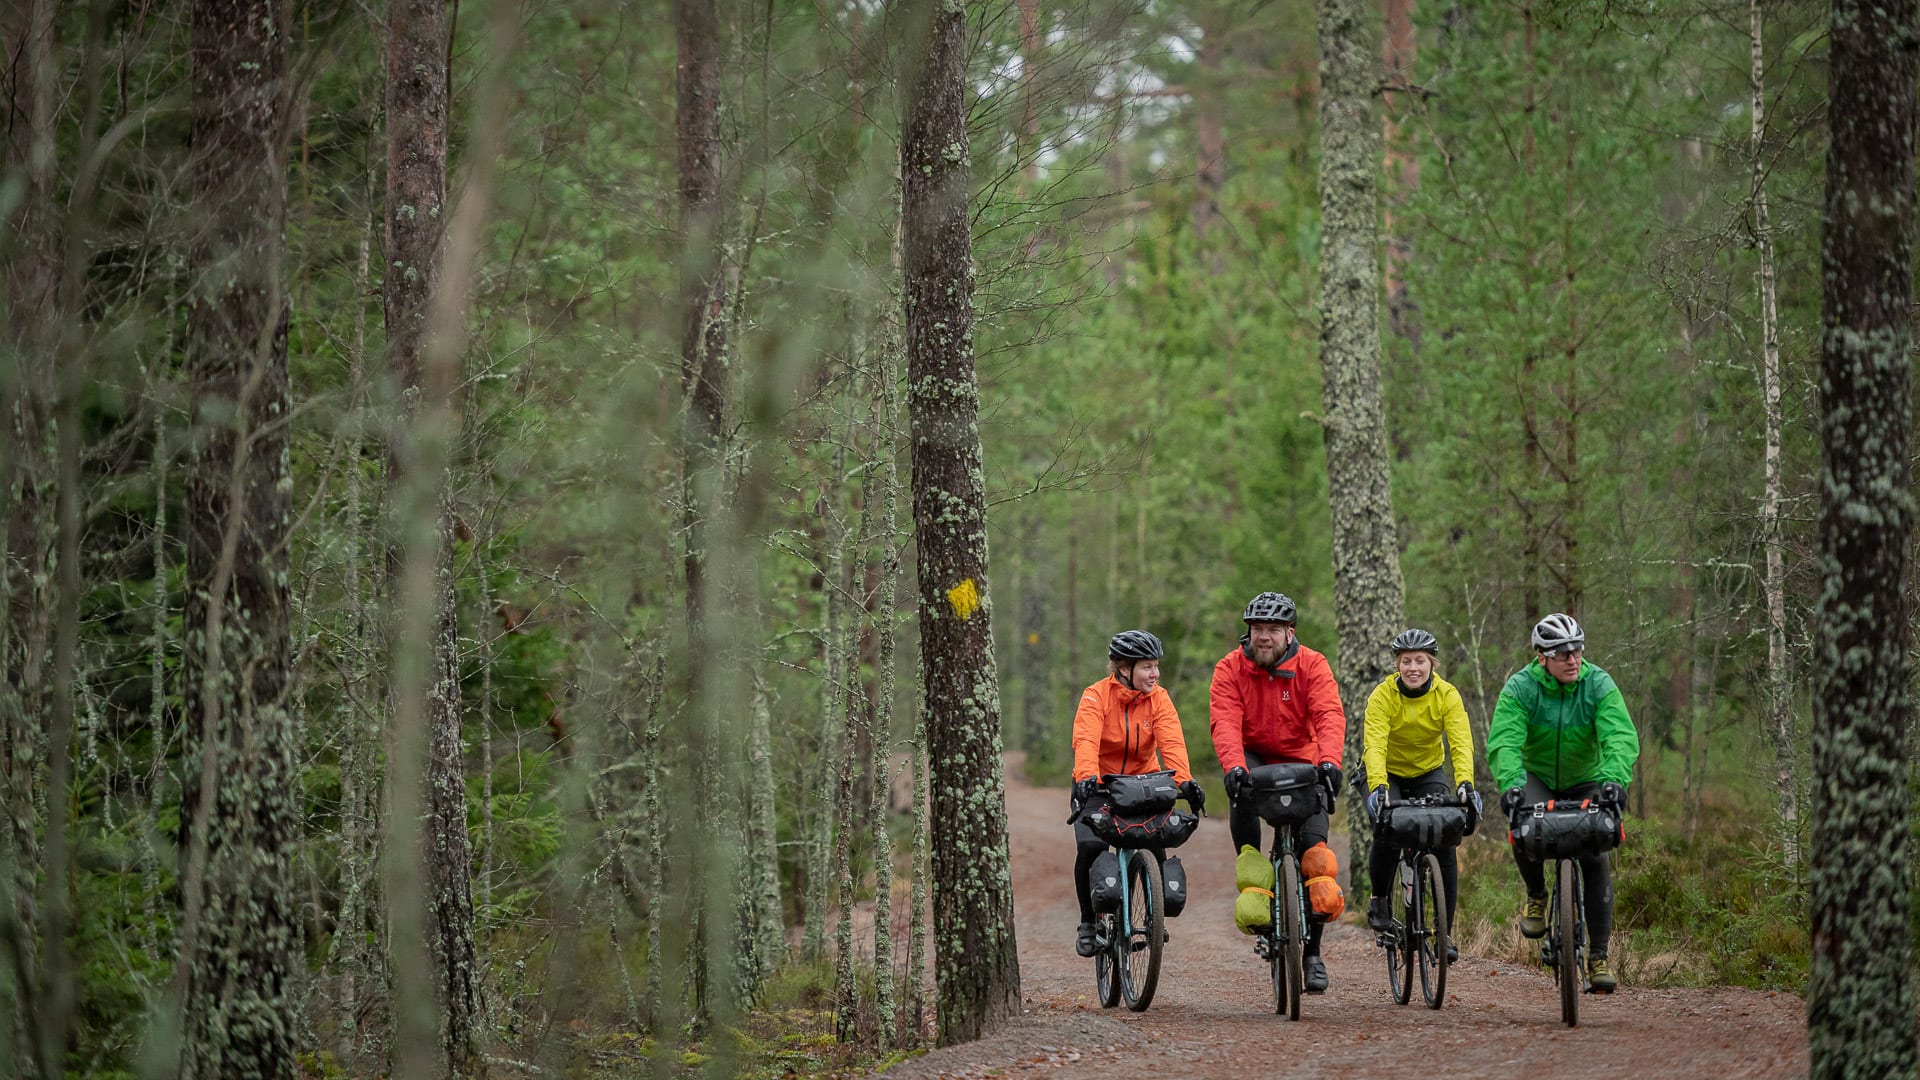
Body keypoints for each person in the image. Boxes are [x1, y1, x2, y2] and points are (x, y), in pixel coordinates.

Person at [1486, 612, 1640, 993]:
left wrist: (1613, 782)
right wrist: (1511, 786)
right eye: (1562, 653)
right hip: (1538, 777)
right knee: (1523, 827)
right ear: (1542, 657)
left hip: (1587, 777)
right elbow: (1505, 740)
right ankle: (1537, 895)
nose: (1573, 659)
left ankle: (1599, 956)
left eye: (1577, 650)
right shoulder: (1521, 687)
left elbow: (1619, 735)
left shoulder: (1598, 683)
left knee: (1596, 852)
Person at [1208, 591, 1345, 992]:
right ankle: (1259, 895)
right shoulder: (1230, 668)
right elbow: (1225, 721)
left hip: (1303, 758)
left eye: (1272, 630)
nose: (1263, 637)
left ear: (1290, 633)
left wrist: (1330, 764)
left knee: (1316, 860)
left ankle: (1313, 954)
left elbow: (1328, 715)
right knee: (1241, 797)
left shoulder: (1313, 665)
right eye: (1256, 629)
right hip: (1253, 756)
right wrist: (1234, 767)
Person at [1070, 629, 1203, 958]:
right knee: (1090, 847)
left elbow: (1171, 741)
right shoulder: (1096, 696)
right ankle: (1088, 923)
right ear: (1123, 668)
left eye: (1156, 666)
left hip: (1143, 782)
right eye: (1147, 667)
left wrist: (1184, 781)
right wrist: (1087, 776)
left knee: (1155, 844)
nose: (1154, 674)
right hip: (1099, 783)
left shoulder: (1159, 697)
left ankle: (1154, 915)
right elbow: (1086, 739)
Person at [1361, 628, 1481, 962]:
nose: (1413, 668)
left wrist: (1465, 785)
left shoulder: (1447, 695)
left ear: (1432, 664)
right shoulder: (1382, 696)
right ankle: (1380, 898)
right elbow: (1374, 744)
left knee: (1444, 839)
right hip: (1387, 772)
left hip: (1428, 772)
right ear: (1397, 665)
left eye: (1420, 661)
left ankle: (1444, 933)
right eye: (1406, 661)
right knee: (1386, 830)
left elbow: (1460, 742)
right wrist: (1378, 787)